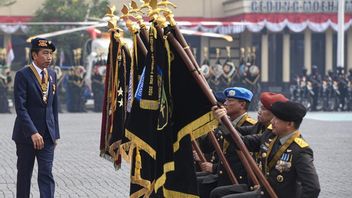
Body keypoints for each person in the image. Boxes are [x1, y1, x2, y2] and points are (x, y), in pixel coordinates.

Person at [212, 101, 320, 198]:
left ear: (289, 124)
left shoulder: (300, 150)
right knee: (218, 193)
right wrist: (223, 122)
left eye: (277, 119)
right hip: (262, 191)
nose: (272, 121)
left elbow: (313, 187)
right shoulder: (270, 137)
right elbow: (241, 142)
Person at [209, 92, 288, 198]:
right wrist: (223, 121)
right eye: (260, 107)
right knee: (217, 193)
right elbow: (239, 139)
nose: (259, 111)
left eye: (264, 109)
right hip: (256, 184)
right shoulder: (262, 130)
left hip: (268, 188)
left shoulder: (291, 145)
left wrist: (264, 186)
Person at [12, 37, 60, 198]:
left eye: (50, 54)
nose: (49, 57)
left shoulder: (52, 74)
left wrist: (55, 135)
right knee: (24, 175)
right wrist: (33, 132)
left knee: (46, 173)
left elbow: (53, 107)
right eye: (45, 53)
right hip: (26, 136)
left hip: (47, 135)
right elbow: (21, 108)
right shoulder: (22, 75)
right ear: (34, 55)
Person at [196, 87, 256, 197]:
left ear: (242, 105)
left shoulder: (250, 126)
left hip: (238, 179)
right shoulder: (223, 123)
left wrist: (214, 167)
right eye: (226, 100)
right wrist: (211, 122)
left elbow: (244, 160)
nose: (225, 103)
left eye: (230, 101)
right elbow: (206, 147)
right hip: (222, 175)